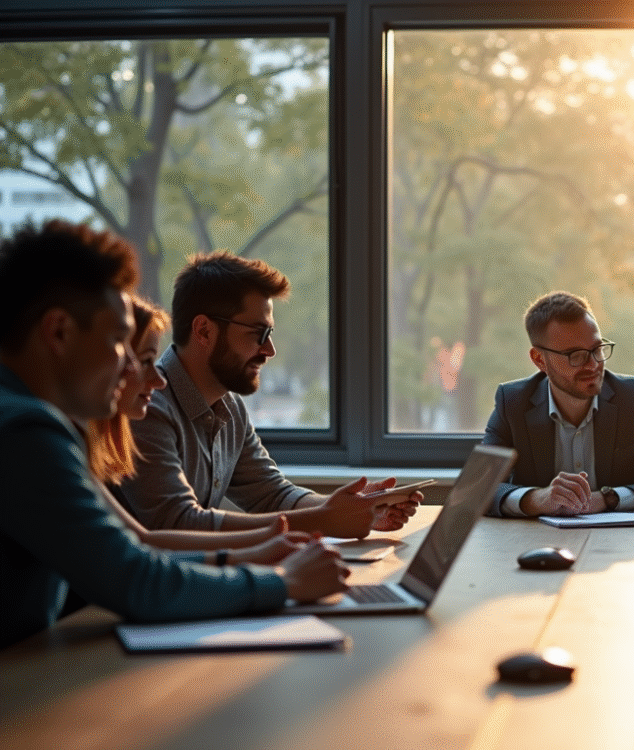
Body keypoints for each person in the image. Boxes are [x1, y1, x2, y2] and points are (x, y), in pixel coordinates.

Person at [0, 220, 349, 648]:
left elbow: (137, 548)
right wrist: (281, 582)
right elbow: (135, 579)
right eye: (117, 342)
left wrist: (248, 557)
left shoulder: (33, 423)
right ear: (58, 332)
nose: (131, 368)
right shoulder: (24, 434)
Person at [120, 251, 422, 538]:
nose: (270, 350)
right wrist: (324, 520)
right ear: (204, 331)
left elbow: (271, 494)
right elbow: (176, 524)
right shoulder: (147, 408)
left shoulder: (230, 407)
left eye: (270, 334)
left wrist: (354, 508)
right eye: (258, 334)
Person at [87, 296, 305, 564]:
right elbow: (148, 552)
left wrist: (270, 542)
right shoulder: (150, 412)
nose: (156, 380)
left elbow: (142, 543)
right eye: (142, 361)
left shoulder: (230, 408)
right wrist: (274, 568)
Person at [482, 291, 634, 517]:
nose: (593, 364)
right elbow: (480, 489)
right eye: (575, 355)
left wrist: (607, 498)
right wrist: (538, 499)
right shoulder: (513, 402)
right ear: (539, 359)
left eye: (597, 349)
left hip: (621, 544)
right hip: (539, 541)